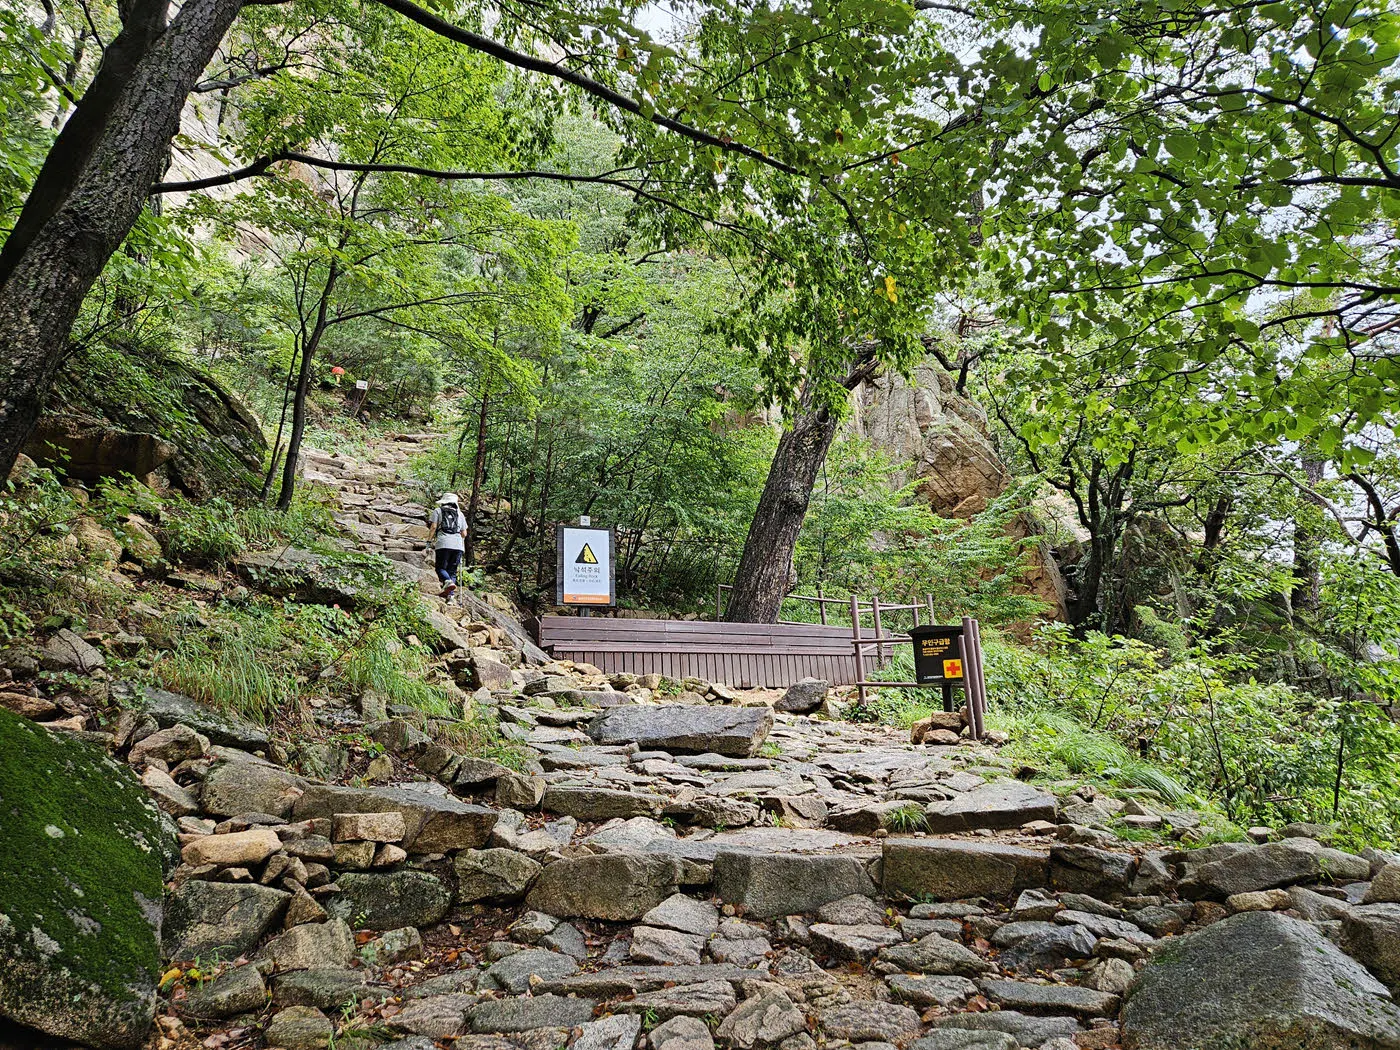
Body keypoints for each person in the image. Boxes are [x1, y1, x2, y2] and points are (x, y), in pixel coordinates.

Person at [427, 492, 467, 598]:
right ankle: (450, 597)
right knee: (452, 572)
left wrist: (428, 542)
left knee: (440, 568)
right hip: (458, 546)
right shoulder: (460, 514)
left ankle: (448, 582)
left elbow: (433, 527)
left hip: (443, 543)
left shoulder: (438, 511)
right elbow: (464, 533)